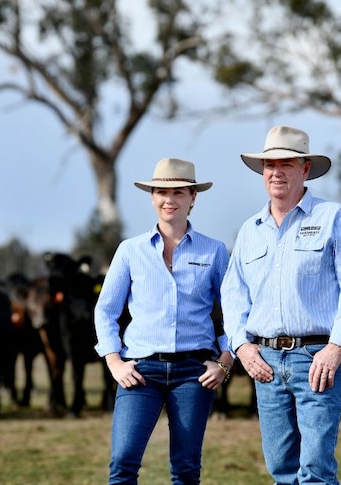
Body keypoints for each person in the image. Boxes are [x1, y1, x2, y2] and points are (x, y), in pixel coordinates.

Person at [221, 125, 341, 485]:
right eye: (270, 165)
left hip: (317, 357)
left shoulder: (334, 218)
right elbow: (233, 295)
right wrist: (243, 348)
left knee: (316, 471)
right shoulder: (250, 230)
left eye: (286, 164)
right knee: (281, 469)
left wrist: (336, 347)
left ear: (305, 169)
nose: (277, 172)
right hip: (266, 362)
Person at [94, 157, 233, 485]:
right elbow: (105, 311)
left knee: (186, 469)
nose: (169, 199)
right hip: (140, 372)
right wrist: (114, 362)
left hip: (194, 374)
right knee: (123, 462)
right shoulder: (130, 251)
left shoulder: (214, 252)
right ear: (152, 197)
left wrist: (224, 363)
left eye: (178, 192)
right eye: (161, 192)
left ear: (193, 198)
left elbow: (235, 314)